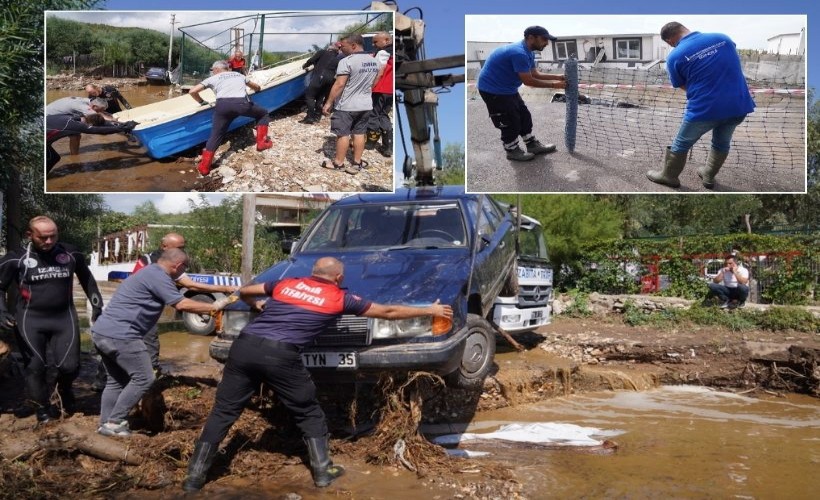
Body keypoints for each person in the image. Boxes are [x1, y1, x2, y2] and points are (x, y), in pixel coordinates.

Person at [182, 256, 453, 492]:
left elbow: (244, 291)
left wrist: (256, 305)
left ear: (312, 272)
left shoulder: (284, 284)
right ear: (339, 277)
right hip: (281, 355)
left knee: (224, 412)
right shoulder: (339, 297)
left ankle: (194, 478)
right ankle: (323, 473)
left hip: (244, 347)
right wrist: (429, 310)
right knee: (308, 411)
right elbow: (388, 311)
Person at [91, 248, 231, 437]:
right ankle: (115, 422)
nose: (183, 274)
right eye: (184, 269)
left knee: (116, 381)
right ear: (178, 266)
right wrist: (214, 307)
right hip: (123, 335)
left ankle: (105, 424)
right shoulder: (159, 277)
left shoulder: (149, 272)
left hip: (102, 332)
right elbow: (181, 304)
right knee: (144, 378)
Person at [0, 216, 104, 422]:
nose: (49, 241)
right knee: (35, 367)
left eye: (53, 236)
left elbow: (88, 279)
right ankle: (42, 408)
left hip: (63, 318)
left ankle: (64, 389)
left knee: (70, 367)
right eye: (43, 237)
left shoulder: (70, 253)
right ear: (30, 235)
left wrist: (97, 306)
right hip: (30, 320)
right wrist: (1, 311)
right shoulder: (16, 258)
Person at [646, 22, 756, 189]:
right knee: (722, 142)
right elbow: (728, 62)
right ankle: (708, 176)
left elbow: (683, 85)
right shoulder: (723, 38)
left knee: (681, 143)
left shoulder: (675, 56)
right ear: (684, 28)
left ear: (669, 40)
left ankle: (669, 176)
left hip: (705, 109)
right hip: (738, 105)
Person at [476, 26, 566, 162]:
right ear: (531, 38)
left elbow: (534, 74)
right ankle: (512, 150)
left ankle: (531, 144)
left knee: (524, 115)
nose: (547, 43)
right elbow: (529, 81)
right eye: (544, 39)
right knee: (510, 121)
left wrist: (557, 77)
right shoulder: (519, 53)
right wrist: (555, 85)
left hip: (508, 88)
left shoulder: (529, 52)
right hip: (493, 90)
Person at [189, 60, 273, 176]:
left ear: (217, 69)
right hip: (241, 105)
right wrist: (258, 90)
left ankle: (204, 168)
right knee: (263, 114)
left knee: (216, 136)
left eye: (212, 70)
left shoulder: (212, 79)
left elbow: (192, 91)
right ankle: (262, 143)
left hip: (222, 107)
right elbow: (255, 86)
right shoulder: (239, 74)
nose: (212, 72)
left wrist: (202, 102)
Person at [321, 34, 379, 175]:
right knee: (359, 133)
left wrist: (328, 102)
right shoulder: (375, 61)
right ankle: (357, 163)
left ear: (353, 45)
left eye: (343, 46)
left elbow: (340, 84)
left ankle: (338, 163)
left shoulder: (346, 61)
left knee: (343, 134)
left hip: (346, 105)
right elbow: (375, 81)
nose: (341, 48)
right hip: (365, 104)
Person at [46, 113, 136, 172]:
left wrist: (121, 124)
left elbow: (101, 125)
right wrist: (122, 128)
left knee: (54, 157)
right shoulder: (75, 125)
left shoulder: (73, 116)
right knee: (52, 158)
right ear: (91, 124)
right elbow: (97, 130)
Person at [367, 32, 394, 157]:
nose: (374, 44)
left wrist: (370, 86)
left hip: (380, 88)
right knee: (383, 115)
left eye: (376, 42)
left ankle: (371, 142)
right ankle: (388, 146)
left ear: (386, 40)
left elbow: (379, 71)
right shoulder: (397, 52)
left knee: (373, 114)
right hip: (391, 90)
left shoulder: (383, 52)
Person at [300, 43, 341, 124]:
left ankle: (310, 117)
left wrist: (305, 65)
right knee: (320, 98)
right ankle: (317, 117)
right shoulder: (338, 60)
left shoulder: (322, 52)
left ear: (330, 48)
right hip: (330, 80)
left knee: (309, 96)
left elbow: (311, 60)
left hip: (319, 77)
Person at [46, 96, 113, 120]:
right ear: (94, 106)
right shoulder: (83, 107)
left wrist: (107, 114)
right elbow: (98, 116)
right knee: (76, 134)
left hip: (48, 111)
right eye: (100, 110)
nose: (100, 111)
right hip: (48, 116)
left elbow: (99, 112)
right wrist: (114, 120)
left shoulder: (87, 100)